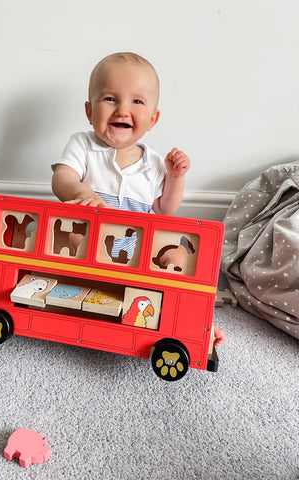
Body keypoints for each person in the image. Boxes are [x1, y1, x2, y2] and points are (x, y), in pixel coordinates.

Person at [51, 52, 226, 347]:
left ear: (152, 118)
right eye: (109, 99)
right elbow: (62, 179)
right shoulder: (82, 145)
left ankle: (197, 324)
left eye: (137, 101)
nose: (122, 110)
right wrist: (81, 191)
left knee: (177, 260)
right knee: (75, 239)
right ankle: (95, 295)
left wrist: (175, 177)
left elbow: (164, 210)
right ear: (89, 111)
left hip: (137, 252)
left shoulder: (156, 164)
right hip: (91, 242)